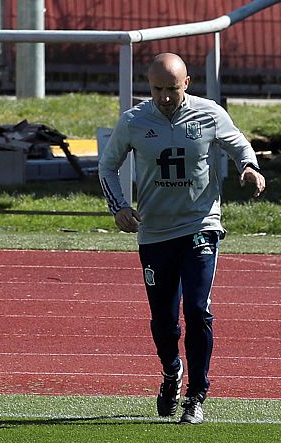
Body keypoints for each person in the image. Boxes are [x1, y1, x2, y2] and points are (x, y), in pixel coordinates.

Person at [98, 53, 265, 424]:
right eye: (157, 89)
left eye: (171, 89)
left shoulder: (209, 113)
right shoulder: (134, 121)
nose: (164, 97)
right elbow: (107, 166)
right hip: (154, 232)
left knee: (197, 310)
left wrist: (249, 167)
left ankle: (196, 395)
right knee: (164, 321)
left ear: (186, 84)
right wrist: (119, 207)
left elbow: (239, 144)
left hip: (199, 224)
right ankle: (172, 370)